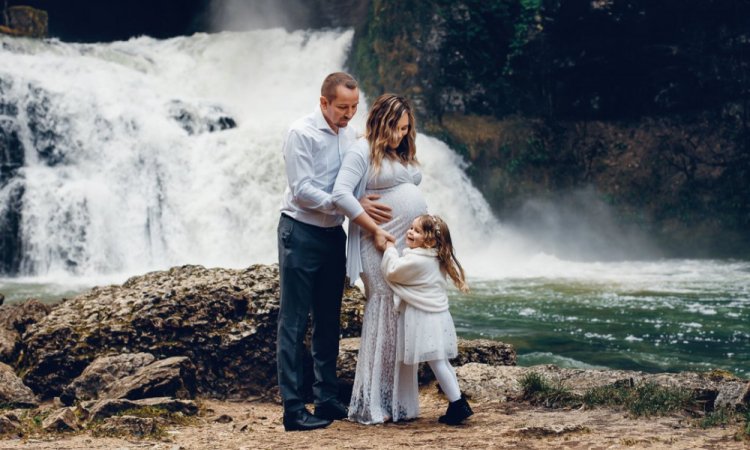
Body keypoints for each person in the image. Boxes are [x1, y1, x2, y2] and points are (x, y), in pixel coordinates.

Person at [277, 72, 391, 432]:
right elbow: (302, 190)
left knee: (329, 319)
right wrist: (347, 205)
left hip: (332, 236)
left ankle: (326, 398)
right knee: (293, 323)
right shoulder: (301, 133)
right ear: (324, 102)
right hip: (300, 231)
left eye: (355, 107)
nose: (349, 114)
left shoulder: (351, 135)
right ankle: (293, 409)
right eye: (343, 107)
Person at [332, 93, 425, 424]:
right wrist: (372, 228)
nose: (401, 135)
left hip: (401, 242)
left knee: (400, 312)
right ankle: (372, 403)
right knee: (383, 308)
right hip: (378, 241)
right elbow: (341, 193)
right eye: (397, 128)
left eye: (405, 129)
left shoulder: (396, 152)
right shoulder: (361, 149)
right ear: (382, 121)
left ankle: (396, 402)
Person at [381, 214, 474, 425]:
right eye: (411, 228)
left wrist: (389, 249)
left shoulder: (417, 260)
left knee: (437, 362)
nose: (409, 232)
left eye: (416, 231)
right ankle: (457, 403)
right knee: (441, 362)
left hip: (425, 320)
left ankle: (458, 403)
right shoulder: (435, 257)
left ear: (430, 241)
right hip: (438, 317)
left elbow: (392, 271)